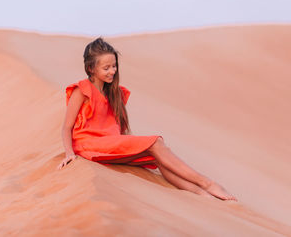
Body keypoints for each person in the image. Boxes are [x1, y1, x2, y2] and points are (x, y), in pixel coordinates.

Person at [57, 37, 237, 201]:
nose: (112, 71)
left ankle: (201, 193)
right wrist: (69, 154)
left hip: (109, 143)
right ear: (91, 68)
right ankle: (208, 184)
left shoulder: (115, 93)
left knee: (158, 156)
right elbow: (67, 127)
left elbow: (119, 128)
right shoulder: (82, 90)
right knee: (155, 143)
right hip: (88, 144)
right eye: (106, 68)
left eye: (114, 66)